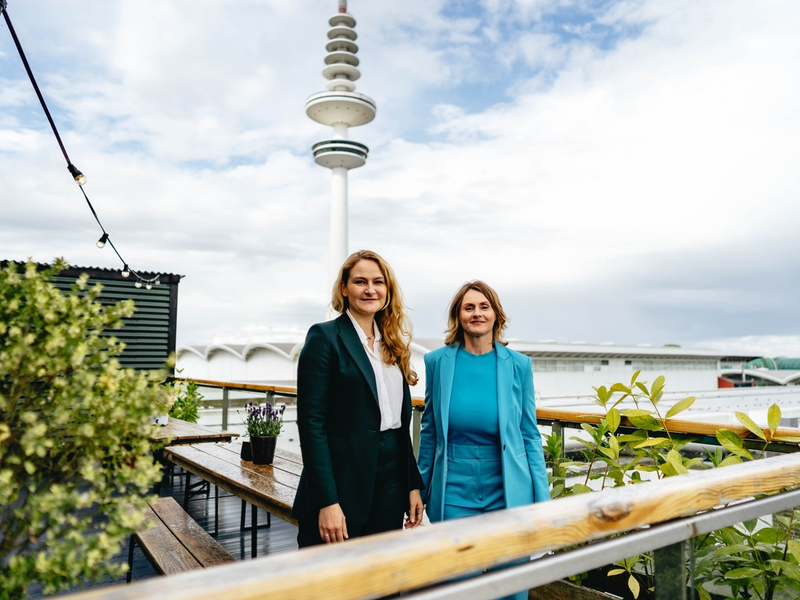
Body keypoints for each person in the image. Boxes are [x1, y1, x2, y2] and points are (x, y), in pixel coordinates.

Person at [417, 280, 550, 600]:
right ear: (458, 316)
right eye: (469, 307)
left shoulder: (519, 365)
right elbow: (429, 430)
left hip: (507, 489)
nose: (477, 313)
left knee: (512, 586)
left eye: (484, 306)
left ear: (496, 315)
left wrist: (543, 502)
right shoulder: (437, 362)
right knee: (457, 586)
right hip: (454, 488)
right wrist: (417, 491)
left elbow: (529, 435)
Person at [292, 250, 424, 548]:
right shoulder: (324, 337)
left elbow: (399, 425)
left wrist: (412, 484)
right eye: (360, 281)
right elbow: (311, 424)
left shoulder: (392, 343)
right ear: (344, 288)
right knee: (331, 571)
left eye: (378, 282)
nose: (370, 289)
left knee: (382, 566)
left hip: (391, 476)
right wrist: (327, 501)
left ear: (387, 290)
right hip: (342, 477)